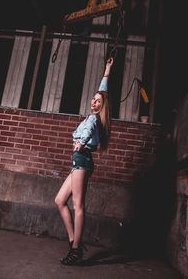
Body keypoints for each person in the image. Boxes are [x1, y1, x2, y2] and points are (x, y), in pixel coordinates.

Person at [55, 57, 114, 265]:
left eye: (97, 101)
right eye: (93, 99)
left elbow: (88, 131)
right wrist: (107, 70)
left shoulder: (95, 119)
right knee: (60, 201)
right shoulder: (94, 116)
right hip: (79, 161)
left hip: (82, 159)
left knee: (78, 205)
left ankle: (76, 249)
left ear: (102, 105)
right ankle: (74, 241)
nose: (94, 102)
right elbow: (103, 92)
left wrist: (81, 142)